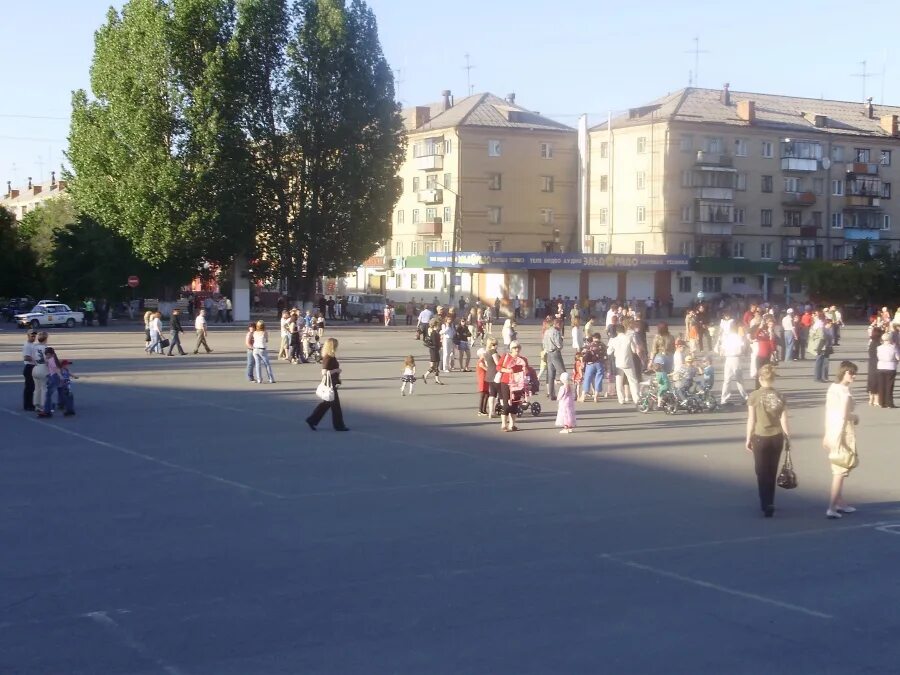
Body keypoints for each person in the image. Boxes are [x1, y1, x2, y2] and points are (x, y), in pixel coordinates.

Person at [745, 364, 790, 517]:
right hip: (777, 436)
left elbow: (751, 419)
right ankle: (770, 500)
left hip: (760, 436)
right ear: (773, 379)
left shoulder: (754, 396)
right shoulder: (780, 395)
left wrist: (748, 437)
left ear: (760, 378)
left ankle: (765, 502)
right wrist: (787, 436)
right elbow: (784, 418)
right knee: (772, 470)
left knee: (761, 471)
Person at [824, 361, 859, 519]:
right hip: (842, 432)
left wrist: (826, 434)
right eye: (850, 373)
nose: (853, 376)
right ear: (843, 373)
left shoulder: (833, 388)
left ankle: (839, 501)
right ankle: (832, 506)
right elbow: (845, 415)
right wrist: (855, 417)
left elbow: (828, 411)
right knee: (840, 469)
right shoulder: (844, 391)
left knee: (839, 468)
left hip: (832, 429)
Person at [305, 337, 349, 431]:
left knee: (327, 404)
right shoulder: (328, 358)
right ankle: (339, 425)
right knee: (335, 406)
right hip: (330, 384)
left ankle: (312, 420)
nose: (337, 347)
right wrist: (336, 370)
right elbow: (324, 372)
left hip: (333, 382)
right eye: (336, 345)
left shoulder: (330, 356)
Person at [498, 341, 526, 432]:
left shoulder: (522, 359)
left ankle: (512, 424)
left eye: (518, 347)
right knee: (506, 404)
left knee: (515, 404)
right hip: (506, 382)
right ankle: (503, 424)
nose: (516, 349)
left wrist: (525, 371)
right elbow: (498, 367)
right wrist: (507, 370)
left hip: (517, 384)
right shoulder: (506, 357)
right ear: (511, 349)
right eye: (514, 348)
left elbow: (527, 370)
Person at [542, 320, 566, 400]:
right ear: (558, 324)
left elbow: (543, 343)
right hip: (555, 353)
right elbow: (558, 344)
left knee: (551, 375)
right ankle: (565, 392)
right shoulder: (555, 332)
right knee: (563, 373)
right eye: (561, 325)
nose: (561, 327)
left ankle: (551, 394)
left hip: (549, 353)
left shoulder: (547, 331)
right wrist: (561, 345)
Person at [876, 332, 898, 408]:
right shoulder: (893, 347)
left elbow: (878, 356)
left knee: (881, 385)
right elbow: (898, 357)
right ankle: (889, 403)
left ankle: (882, 402)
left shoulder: (879, 347)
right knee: (889, 386)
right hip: (891, 366)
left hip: (881, 366)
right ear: (890, 339)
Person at [39, 347, 62, 418]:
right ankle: (48, 409)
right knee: (48, 394)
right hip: (53, 377)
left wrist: (61, 376)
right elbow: (47, 364)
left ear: (52, 354)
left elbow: (56, 369)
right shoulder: (52, 359)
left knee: (48, 395)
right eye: (46, 354)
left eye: (48, 354)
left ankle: (47, 411)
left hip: (55, 378)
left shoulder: (51, 360)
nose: (47, 356)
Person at [422, 319, 445, 385]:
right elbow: (434, 343)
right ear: (435, 326)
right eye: (438, 326)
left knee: (436, 366)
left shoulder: (436, 332)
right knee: (434, 366)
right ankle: (425, 375)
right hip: (434, 350)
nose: (439, 327)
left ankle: (437, 379)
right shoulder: (434, 333)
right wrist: (440, 344)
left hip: (435, 350)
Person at [31, 332, 49, 413]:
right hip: (43, 368)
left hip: (35, 368)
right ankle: (43, 405)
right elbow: (47, 360)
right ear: (45, 339)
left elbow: (32, 358)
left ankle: (36, 404)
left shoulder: (34, 346)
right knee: (44, 388)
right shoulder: (46, 348)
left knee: (37, 388)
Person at [866, 327, 883, 406]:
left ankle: (871, 399)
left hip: (871, 362)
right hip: (878, 362)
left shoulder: (871, 342)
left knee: (871, 379)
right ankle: (876, 399)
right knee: (877, 380)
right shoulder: (879, 344)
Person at [22, 329, 37, 411]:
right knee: (29, 387)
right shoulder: (27, 345)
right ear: (28, 336)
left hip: (33, 367)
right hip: (29, 367)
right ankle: (28, 405)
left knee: (31, 387)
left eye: (35, 336)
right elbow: (26, 357)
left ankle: (30, 404)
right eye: (32, 336)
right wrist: (35, 360)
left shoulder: (33, 344)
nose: (34, 337)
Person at [476, 347, 489, 416]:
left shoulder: (484, 361)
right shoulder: (480, 362)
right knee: (483, 395)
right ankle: (480, 410)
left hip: (486, 379)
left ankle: (484, 410)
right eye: (484, 354)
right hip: (482, 380)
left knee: (486, 394)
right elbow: (486, 369)